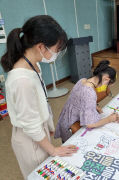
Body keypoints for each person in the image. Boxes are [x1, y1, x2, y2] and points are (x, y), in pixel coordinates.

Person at [1, 15, 78, 179]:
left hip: (38, 131)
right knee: (39, 174)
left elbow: (40, 100)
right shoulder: (21, 80)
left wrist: (47, 125)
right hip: (29, 139)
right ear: (41, 47)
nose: (57, 53)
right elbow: (29, 124)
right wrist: (53, 149)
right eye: (56, 49)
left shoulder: (33, 65)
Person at [54, 60, 119, 142]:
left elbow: (80, 100)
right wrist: (109, 119)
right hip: (71, 127)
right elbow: (90, 124)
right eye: (107, 85)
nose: (106, 87)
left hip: (66, 119)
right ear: (106, 79)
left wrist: (94, 106)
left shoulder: (83, 80)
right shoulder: (89, 92)